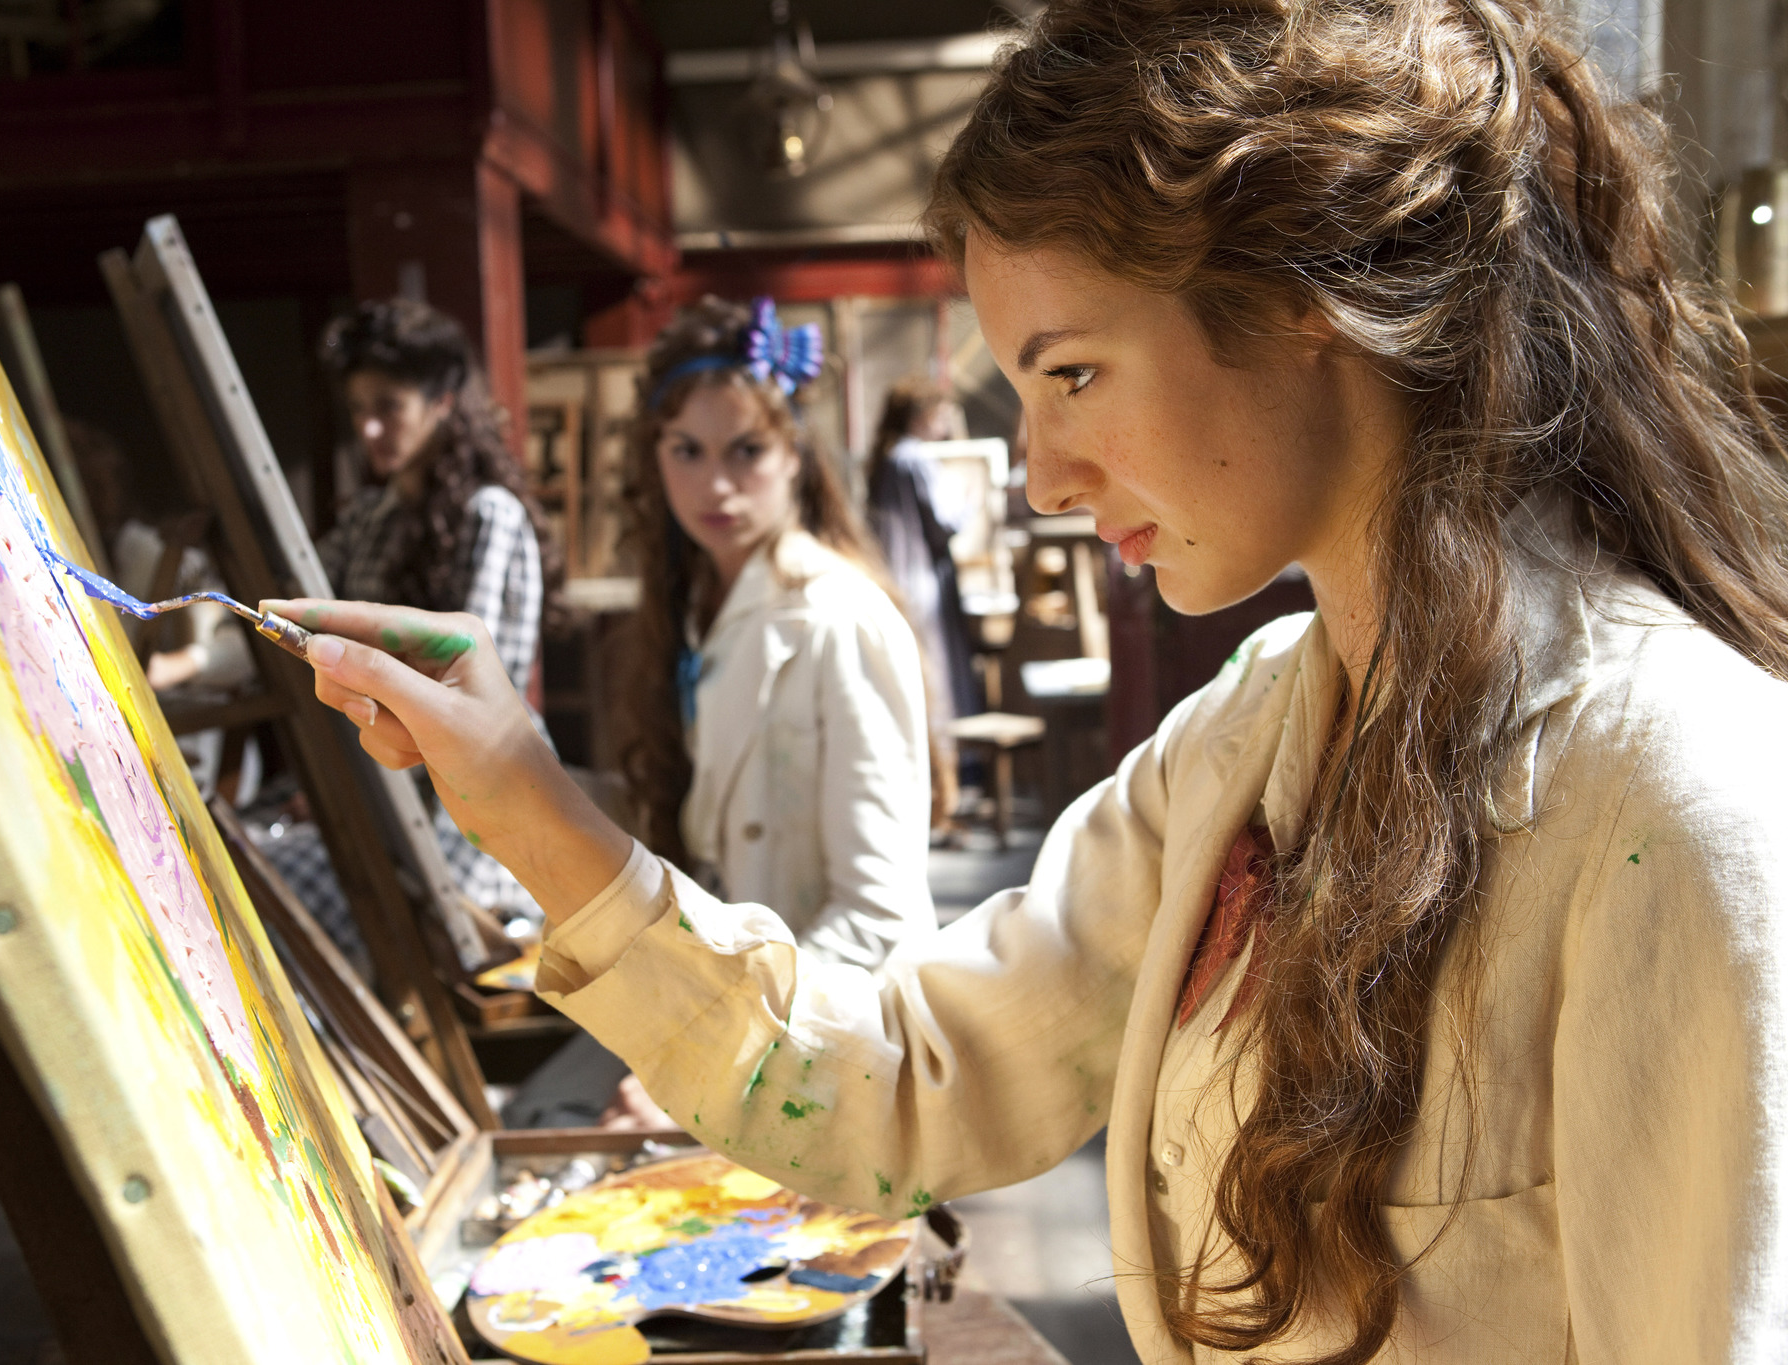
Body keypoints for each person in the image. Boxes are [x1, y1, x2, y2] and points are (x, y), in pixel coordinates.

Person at [277, 0, 1788, 1358]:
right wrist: (527, 804)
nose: (1045, 473)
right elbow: (903, 1081)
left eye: (1071, 374)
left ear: (1302, 301)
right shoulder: (1255, 737)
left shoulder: (1676, 796)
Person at [512, 296, 940, 1129]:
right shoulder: (696, 606)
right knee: (543, 1113)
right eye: (687, 451)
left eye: (746, 450)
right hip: (732, 996)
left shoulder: (834, 617)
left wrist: (723, 1058)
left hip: (825, 1038)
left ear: (794, 455)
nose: (715, 485)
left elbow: (877, 910)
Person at [317, 299, 558, 922]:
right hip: (382, 769)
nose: (370, 429)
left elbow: (462, 689)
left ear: (443, 401)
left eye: (389, 407)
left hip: (478, 775)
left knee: (417, 918)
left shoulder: (490, 515)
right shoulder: (369, 519)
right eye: (359, 411)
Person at [864, 377, 981, 836]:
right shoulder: (913, 458)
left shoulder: (887, 458)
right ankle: (947, 795)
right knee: (937, 688)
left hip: (896, 581)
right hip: (924, 589)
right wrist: (972, 500)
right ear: (920, 414)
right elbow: (945, 521)